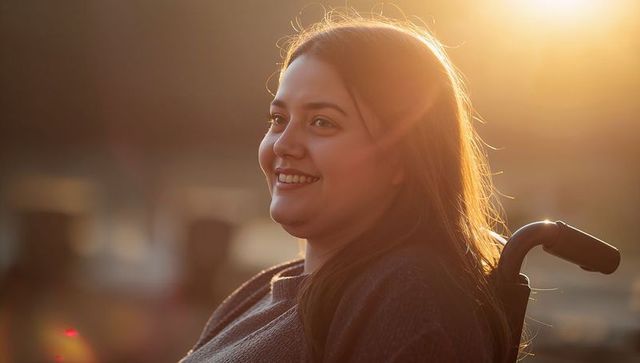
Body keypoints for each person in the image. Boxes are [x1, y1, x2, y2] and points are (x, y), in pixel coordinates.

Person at [180, 13, 514, 363]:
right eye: (278, 119)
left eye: (322, 122)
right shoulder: (263, 291)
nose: (283, 144)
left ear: (402, 155)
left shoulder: (409, 304)